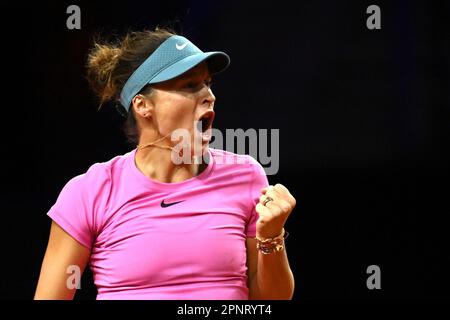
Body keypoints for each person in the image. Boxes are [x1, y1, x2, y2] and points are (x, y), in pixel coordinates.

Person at [34, 27, 296, 300]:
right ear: (142, 105)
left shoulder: (246, 176)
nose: (209, 95)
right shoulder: (90, 192)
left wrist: (271, 236)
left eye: (207, 83)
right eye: (189, 86)